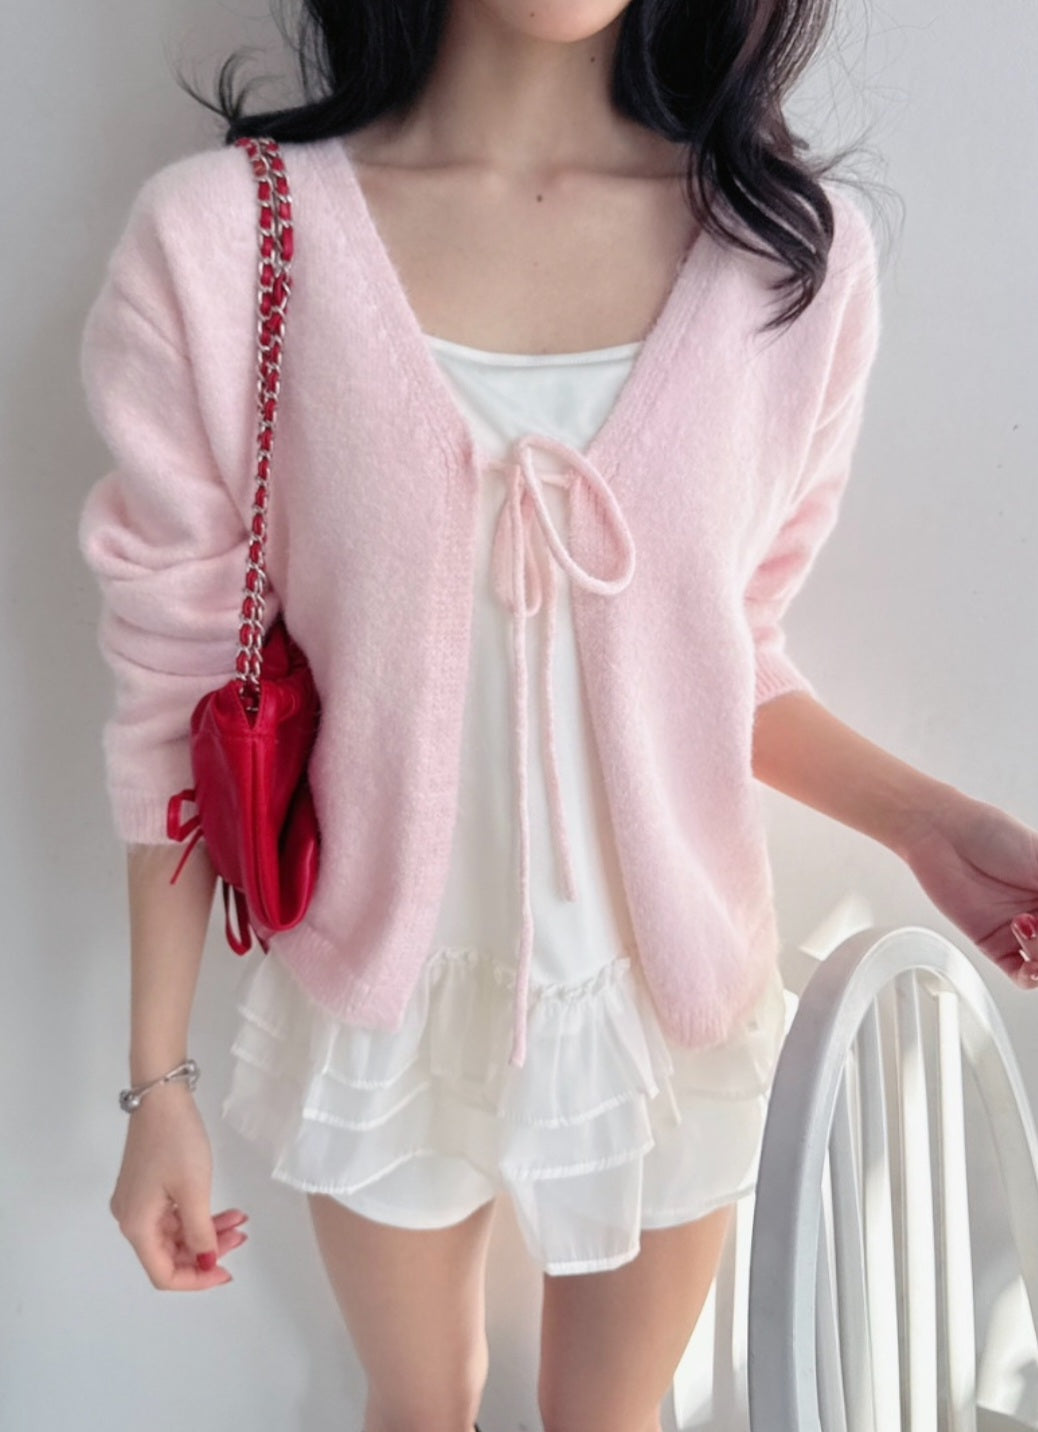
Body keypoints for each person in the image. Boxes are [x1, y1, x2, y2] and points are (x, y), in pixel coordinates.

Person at [76, 3, 1038, 1430]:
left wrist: (932, 826)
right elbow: (181, 689)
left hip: (669, 1010)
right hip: (384, 1007)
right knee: (422, 1407)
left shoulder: (790, 259)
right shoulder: (225, 242)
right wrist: (157, 1078)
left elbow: (723, 661)